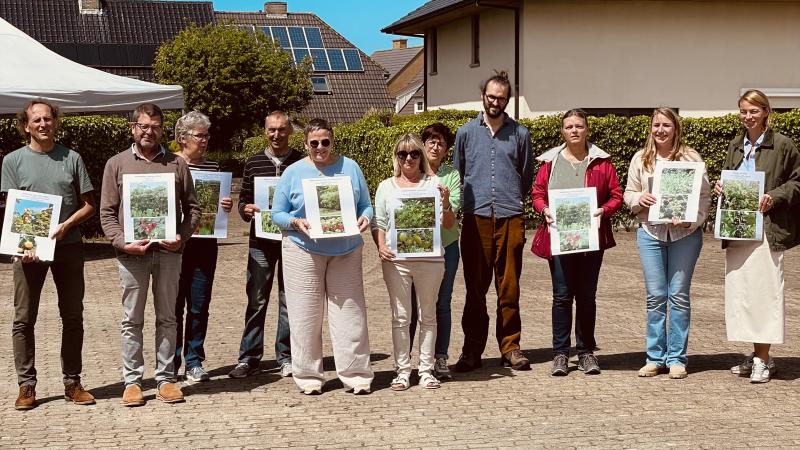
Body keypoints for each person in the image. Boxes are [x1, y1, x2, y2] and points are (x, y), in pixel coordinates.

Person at [100, 103, 201, 406]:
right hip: (132, 256)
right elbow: (106, 212)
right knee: (132, 319)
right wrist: (121, 242)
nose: (149, 131)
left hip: (169, 253)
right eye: (143, 126)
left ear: (162, 129)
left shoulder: (176, 164)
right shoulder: (116, 164)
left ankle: (165, 378)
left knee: (168, 317)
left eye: (155, 126)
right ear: (133, 128)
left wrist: (181, 237)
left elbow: (193, 208)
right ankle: (132, 381)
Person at [1, 99, 96, 410]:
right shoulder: (13, 161)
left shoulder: (72, 159)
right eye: (36, 120)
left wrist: (67, 225)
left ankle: (73, 382)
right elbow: (11, 209)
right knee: (23, 319)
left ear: (55, 122)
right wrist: (21, 246)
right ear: (26, 125)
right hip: (30, 252)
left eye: (48, 119)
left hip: (68, 247)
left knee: (72, 316)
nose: (43, 124)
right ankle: (26, 386)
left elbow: (88, 205)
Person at [271, 118, 374, 395]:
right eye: (314, 143)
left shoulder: (350, 167)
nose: (320, 147)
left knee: (351, 316)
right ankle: (308, 377)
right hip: (303, 250)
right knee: (305, 316)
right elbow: (276, 213)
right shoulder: (293, 172)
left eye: (325, 142)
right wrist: (296, 223)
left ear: (333, 141)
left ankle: (356, 375)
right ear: (305, 144)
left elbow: (366, 204)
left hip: (346, 250)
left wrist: (366, 217)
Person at [452, 70, 534, 372]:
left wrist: (510, 197)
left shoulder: (520, 134)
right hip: (476, 218)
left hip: (511, 217)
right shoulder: (465, 133)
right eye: (491, 96)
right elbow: (460, 175)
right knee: (475, 289)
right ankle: (471, 351)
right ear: (483, 95)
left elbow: (525, 177)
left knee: (509, 289)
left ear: (507, 100)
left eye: (500, 98)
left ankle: (511, 347)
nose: (495, 102)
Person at [531, 109, 622, 376]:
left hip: (591, 240)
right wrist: (543, 209)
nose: (574, 131)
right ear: (562, 131)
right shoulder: (550, 162)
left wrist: (604, 210)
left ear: (587, 130)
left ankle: (586, 352)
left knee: (586, 297)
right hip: (559, 239)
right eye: (569, 126)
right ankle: (560, 353)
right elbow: (537, 193)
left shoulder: (602, 163)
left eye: (579, 126)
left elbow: (616, 194)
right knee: (561, 297)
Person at [718, 90, 800, 383]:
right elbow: (731, 177)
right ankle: (756, 355)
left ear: (766, 111)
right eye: (743, 111)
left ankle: (764, 359)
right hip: (737, 226)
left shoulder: (782, 145)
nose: (748, 116)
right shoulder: (735, 145)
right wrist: (721, 188)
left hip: (767, 228)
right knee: (742, 293)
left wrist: (774, 197)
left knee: (765, 292)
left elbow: (797, 182)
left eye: (754, 111)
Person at [624, 108, 710, 379]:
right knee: (656, 297)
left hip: (684, 236)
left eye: (666, 125)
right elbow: (629, 193)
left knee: (679, 297)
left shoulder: (691, 158)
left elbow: (704, 196)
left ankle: (676, 358)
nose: (660, 130)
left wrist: (691, 220)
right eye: (656, 125)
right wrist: (640, 199)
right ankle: (654, 357)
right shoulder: (640, 159)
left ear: (676, 128)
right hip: (650, 233)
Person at [372, 134, 455, 390]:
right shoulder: (386, 186)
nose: (409, 159)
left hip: (430, 259)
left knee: (428, 315)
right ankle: (402, 370)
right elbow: (380, 222)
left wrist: (446, 202)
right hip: (397, 260)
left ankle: (427, 370)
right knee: (400, 317)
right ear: (396, 157)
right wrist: (381, 245)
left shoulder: (435, 183)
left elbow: (448, 224)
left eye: (414, 154)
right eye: (403, 154)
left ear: (421, 156)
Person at [229, 111, 302, 379]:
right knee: (257, 299)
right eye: (272, 130)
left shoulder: (300, 163)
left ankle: (286, 357)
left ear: (290, 131)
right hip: (260, 241)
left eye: (282, 130)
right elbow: (243, 199)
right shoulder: (253, 163)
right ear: (265, 131)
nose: (276, 135)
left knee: (288, 300)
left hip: (293, 241)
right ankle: (249, 357)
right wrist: (245, 209)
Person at [172, 111, 233, 382]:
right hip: (175, 244)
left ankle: (194, 360)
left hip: (206, 243)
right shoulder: (170, 165)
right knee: (173, 305)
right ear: (183, 138)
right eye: (200, 135)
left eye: (207, 135)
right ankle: (171, 361)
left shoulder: (213, 168)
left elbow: (216, 207)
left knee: (199, 304)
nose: (205, 140)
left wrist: (224, 206)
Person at [408, 123, 460, 379]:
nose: (435, 147)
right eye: (431, 141)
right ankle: (407, 359)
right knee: (411, 304)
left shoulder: (451, 176)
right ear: (423, 144)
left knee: (442, 303)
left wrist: (447, 201)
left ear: (446, 149)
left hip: (446, 246)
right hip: (415, 247)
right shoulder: (411, 170)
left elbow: (450, 222)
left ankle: (439, 358)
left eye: (441, 143)